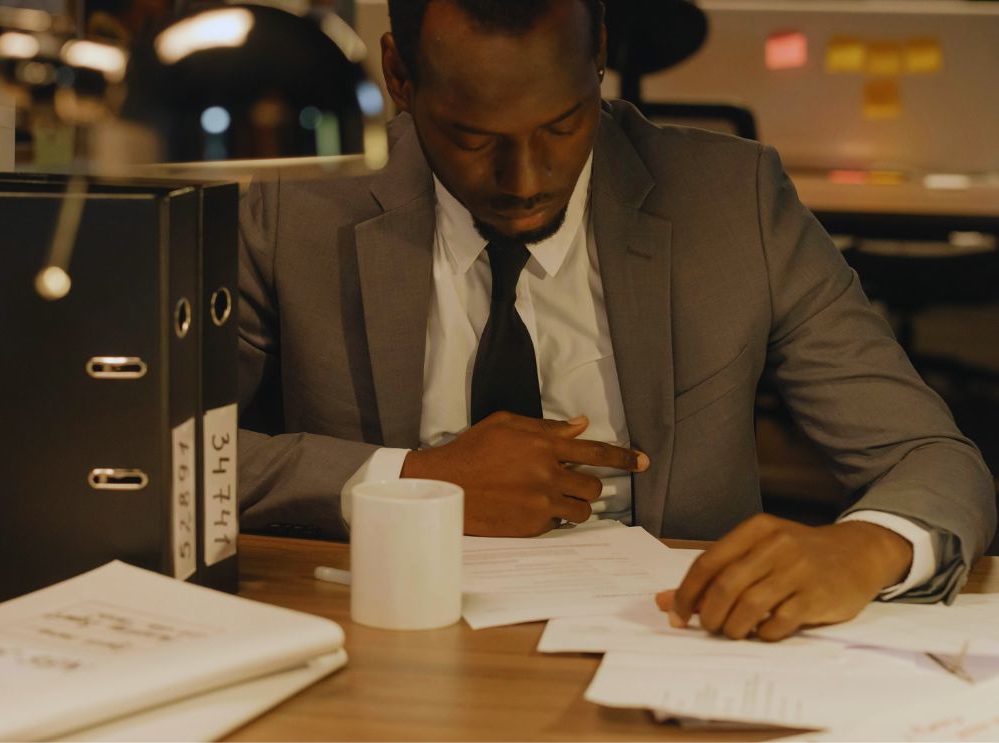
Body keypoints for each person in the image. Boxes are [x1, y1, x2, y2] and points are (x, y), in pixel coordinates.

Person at [236, 0, 995, 640]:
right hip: (383, 637)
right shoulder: (292, 208)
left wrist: (865, 548)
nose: (525, 180)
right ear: (399, 76)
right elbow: (170, 456)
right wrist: (412, 477)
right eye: (474, 138)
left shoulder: (732, 204)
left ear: (596, 55)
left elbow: (931, 456)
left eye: (563, 125)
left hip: (672, 642)